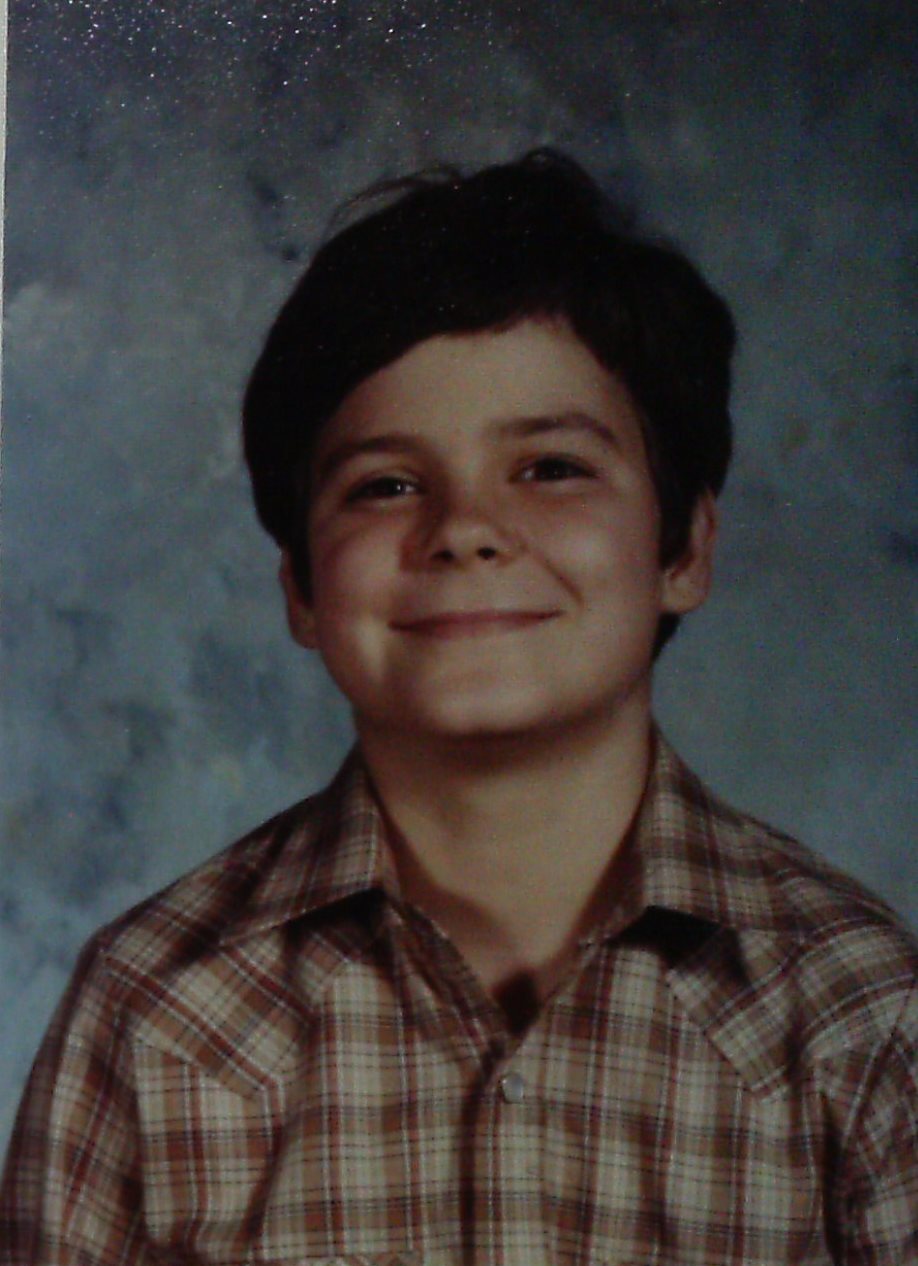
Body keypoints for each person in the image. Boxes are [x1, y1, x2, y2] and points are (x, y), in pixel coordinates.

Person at [1, 151, 915, 1265]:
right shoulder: (155, 1011)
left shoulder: (862, 1012)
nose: (465, 530)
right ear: (300, 588)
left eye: (551, 467)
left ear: (684, 548)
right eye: (386, 485)